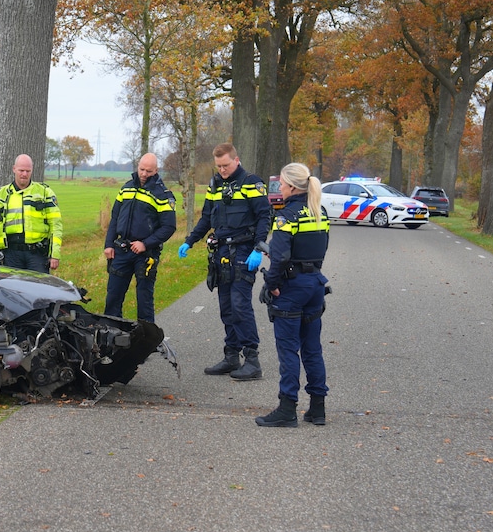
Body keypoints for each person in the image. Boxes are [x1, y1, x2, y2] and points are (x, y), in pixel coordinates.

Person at [177, 143, 272, 380]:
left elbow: (264, 216)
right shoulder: (215, 184)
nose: (222, 170)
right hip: (221, 253)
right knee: (227, 308)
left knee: (240, 306)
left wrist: (259, 247)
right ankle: (231, 356)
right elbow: (207, 217)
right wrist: (190, 240)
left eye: (226, 165)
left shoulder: (252, 183)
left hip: (243, 251)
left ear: (236, 160)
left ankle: (252, 360)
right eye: (218, 166)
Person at [255, 162, 330, 427]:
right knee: (312, 349)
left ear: (291, 186)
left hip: (292, 287)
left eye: (282, 184)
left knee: (288, 349)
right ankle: (317, 409)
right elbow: (321, 249)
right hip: (315, 285)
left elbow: (280, 256)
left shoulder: (287, 215)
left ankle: (287, 409)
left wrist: (272, 284)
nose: (280, 188)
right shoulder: (318, 211)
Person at [103, 153, 176, 322]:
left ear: (156, 170)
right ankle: (112, 339)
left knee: (144, 300)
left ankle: (147, 341)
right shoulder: (126, 188)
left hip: (145, 255)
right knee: (113, 297)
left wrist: (145, 244)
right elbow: (114, 219)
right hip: (121, 250)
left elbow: (169, 227)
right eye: (142, 169)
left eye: (149, 171)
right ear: (137, 166)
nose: (144, 174)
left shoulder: (162, 194)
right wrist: (108, 245)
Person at [0, 154, 62, 273]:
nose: (24, 174)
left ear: (32, 170)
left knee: (38, 290)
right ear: (14, 169)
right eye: (21, 170)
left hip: (37, 254)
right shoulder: (1, 195)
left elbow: (56, 225)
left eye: (28, 171)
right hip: (10, 255)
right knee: (12, 290)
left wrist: (55, 254)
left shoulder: (45, 193)